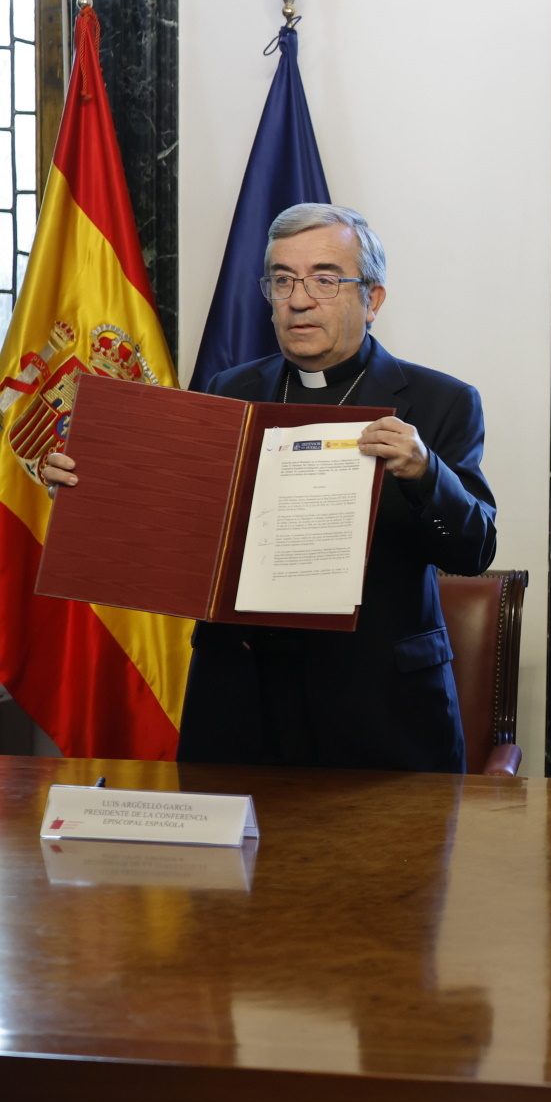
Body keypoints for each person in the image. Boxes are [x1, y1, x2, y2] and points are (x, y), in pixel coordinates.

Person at [44, 203, 498, 771]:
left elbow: (474, 550)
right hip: (239, 698)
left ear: (373, 299)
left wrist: (428, 472)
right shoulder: (228, 389)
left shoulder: (440, 401)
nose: (299, 299)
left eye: (325, 280)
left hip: (378, 705)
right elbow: (182, 527)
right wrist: (93, 495)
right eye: (282, 280)